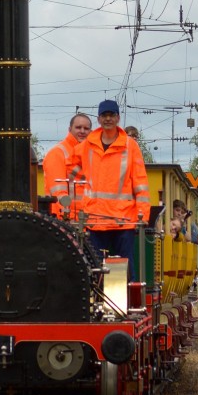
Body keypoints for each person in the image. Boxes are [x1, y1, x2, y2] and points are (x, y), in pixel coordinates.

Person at [67, 99, 150, 275]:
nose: (108, 119)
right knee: (96, 269)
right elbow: (71, 167)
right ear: (99, 119)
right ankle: (98, 302)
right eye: (104, 115)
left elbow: (140, 180)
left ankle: (126, 302)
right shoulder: (88, 144)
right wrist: (89, 178)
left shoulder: (130, 145)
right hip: (96, 219)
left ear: (118, 118)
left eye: (111, 115)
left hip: (123, 219)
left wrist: (143, 214)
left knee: (125, 269)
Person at [42, 113, 92, 219]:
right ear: (70, 129)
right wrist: (66, 218)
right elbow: (58, 191)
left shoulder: (90, 153)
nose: (82, 131)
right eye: (78, 127)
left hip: (85, 217)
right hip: (64, 218)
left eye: (86, 128)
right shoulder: (57, 153)